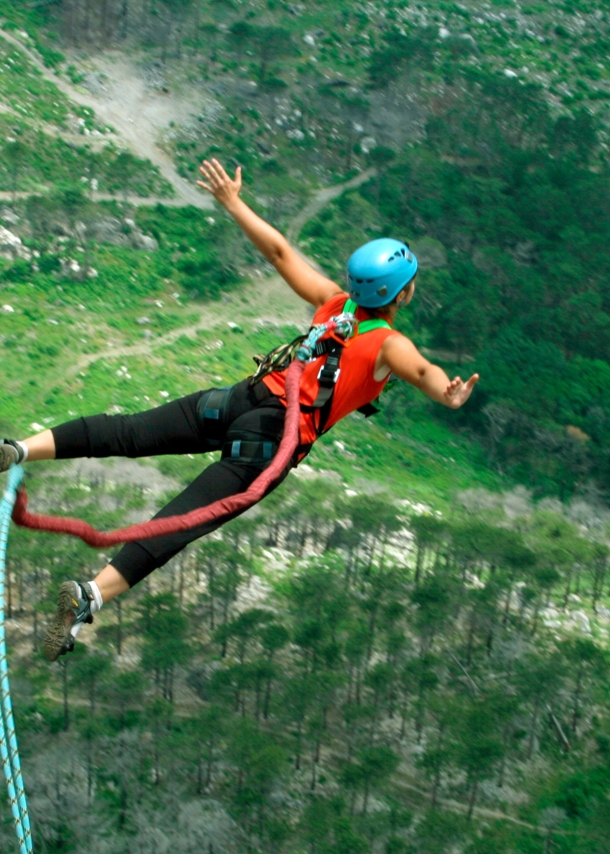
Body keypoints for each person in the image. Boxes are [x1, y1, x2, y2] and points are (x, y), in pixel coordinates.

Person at [0, 158, 478, 661]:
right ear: (402, 292)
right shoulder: (388, 342)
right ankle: (90, 597)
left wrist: (232, 202)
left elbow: (278, 252)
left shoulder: (333, 302)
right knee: (181, 519)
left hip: (239, 400)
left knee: (128, 431)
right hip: (272, 439)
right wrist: (448, 392)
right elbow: (422, 371)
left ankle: (18, 449)